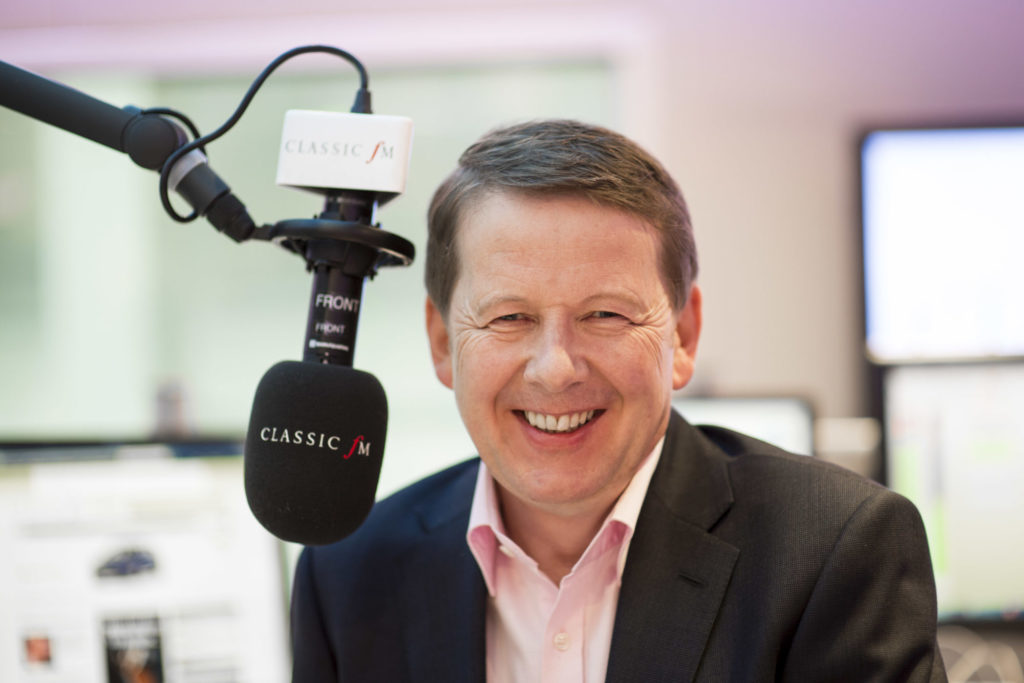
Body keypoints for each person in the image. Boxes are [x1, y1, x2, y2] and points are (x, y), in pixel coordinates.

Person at [290, 119, 947, 682]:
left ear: (683, 334)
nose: (556, 368)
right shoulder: (349, 574)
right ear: (442, 342)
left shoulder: (834, 551)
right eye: (509, 317)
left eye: (605, 314)